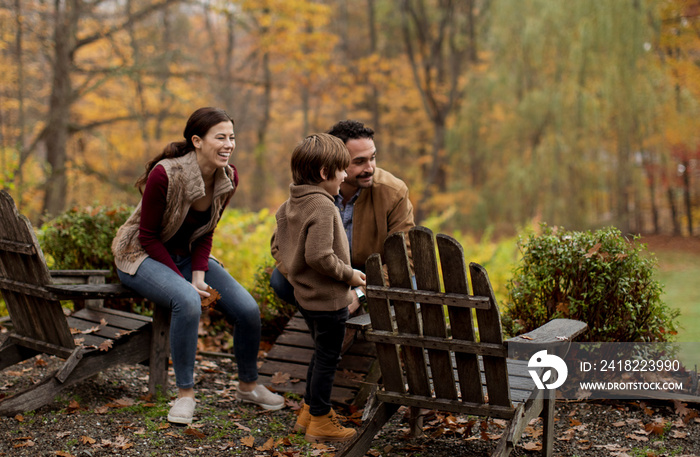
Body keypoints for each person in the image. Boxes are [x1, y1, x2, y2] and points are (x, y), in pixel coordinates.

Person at [112, 107, 284, 425]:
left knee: (246, 309)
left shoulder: (228, 177)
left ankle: (248, 386)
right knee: (187, 299)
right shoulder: (166, 173)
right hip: (140, 254)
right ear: (197, 141)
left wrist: (199, 274)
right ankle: (185, 396)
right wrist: (184, 282)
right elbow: (147, 237)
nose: (229, 144)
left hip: (188, 255)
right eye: (220, 137)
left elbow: (207, 231)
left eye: (232, 137)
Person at [271, 133, 366, 443]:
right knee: (327, 359)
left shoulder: (290, 205)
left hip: (306, 298)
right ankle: (322, 420)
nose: (344, 176)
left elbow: (278, 247)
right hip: (329, 301)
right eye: (341, 169)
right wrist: (350, 275)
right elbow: (319, 256)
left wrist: (296, 275)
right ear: (325, 173)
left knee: (320, 355)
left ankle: (309, 413)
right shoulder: (323, 207)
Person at [270, 119, 415, 313]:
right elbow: (280, 245)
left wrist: (360, 293)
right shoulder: (311, 188)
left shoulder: (394, 192)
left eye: (372, 158)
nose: (370, 168)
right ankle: (322, 318)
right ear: (335, 161)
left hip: (373, 273)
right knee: (279, 281)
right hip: (327, 273)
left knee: (411, 287)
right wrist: (325, 288)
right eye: (359, 161)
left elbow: (403, 259)